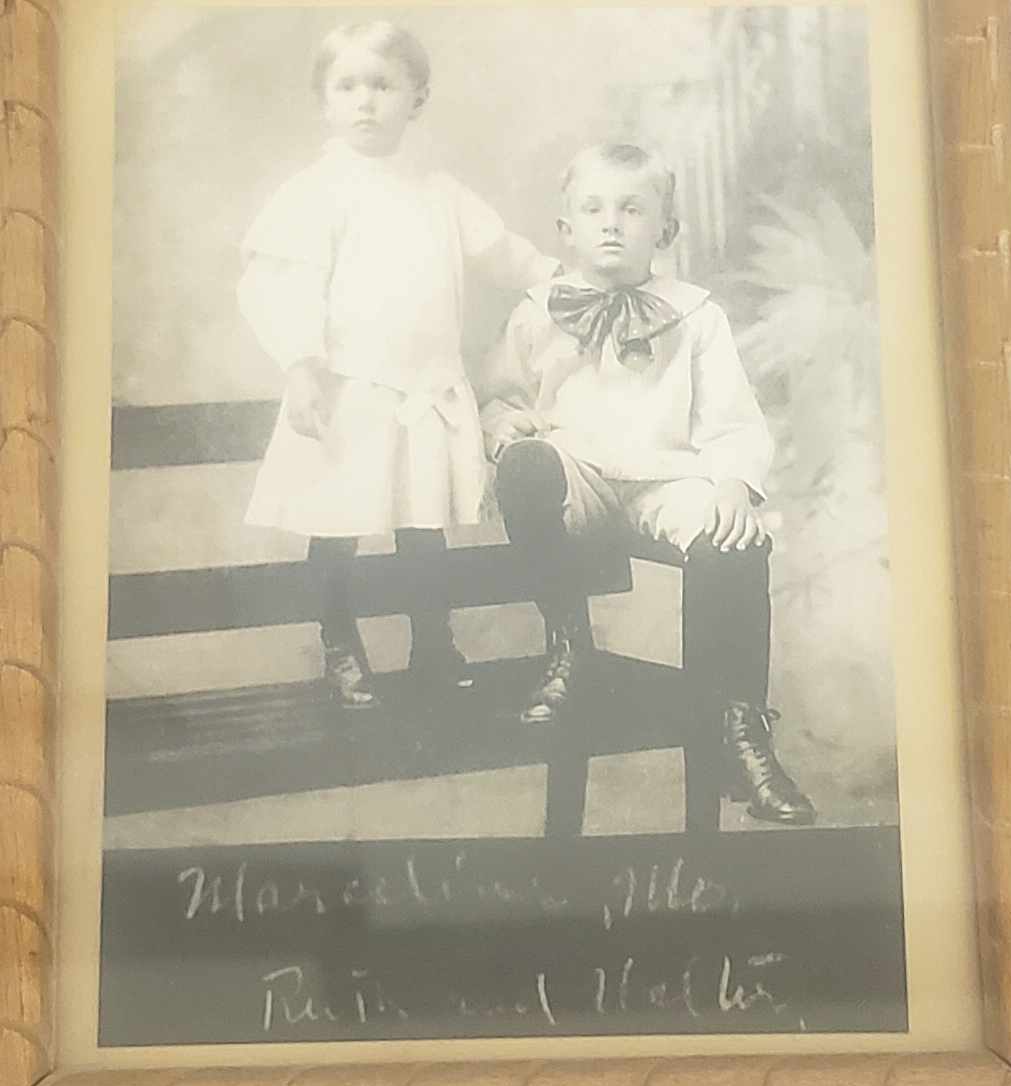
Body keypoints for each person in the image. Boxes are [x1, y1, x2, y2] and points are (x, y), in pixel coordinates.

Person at [481, 143, 814, 825]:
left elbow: (732, 421)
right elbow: (501, 398)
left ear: (665, 231)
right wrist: (506, 424)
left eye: (632, 209)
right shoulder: (538, 312)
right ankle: (570, 647)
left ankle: (740, 730)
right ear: (566, 229)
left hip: (665, 480)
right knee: (526, 465)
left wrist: (732, 485)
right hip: (577, 476)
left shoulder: (696, 316)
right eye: (593, 209)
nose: (611, 223)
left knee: (734, 538)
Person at [238, 21, 555, 706]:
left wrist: (559, 280)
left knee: (423, 529)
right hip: (350, 389)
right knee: (337, 527)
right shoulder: (315, 192)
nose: (364, 101)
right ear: (324, 101)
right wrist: (300, 367)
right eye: (346, 86)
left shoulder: (438, 191)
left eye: (382, 85)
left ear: (417, 98)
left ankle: (433, 645)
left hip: (426, 390)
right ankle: (339, 646)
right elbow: (285, 286)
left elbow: (503, 253)